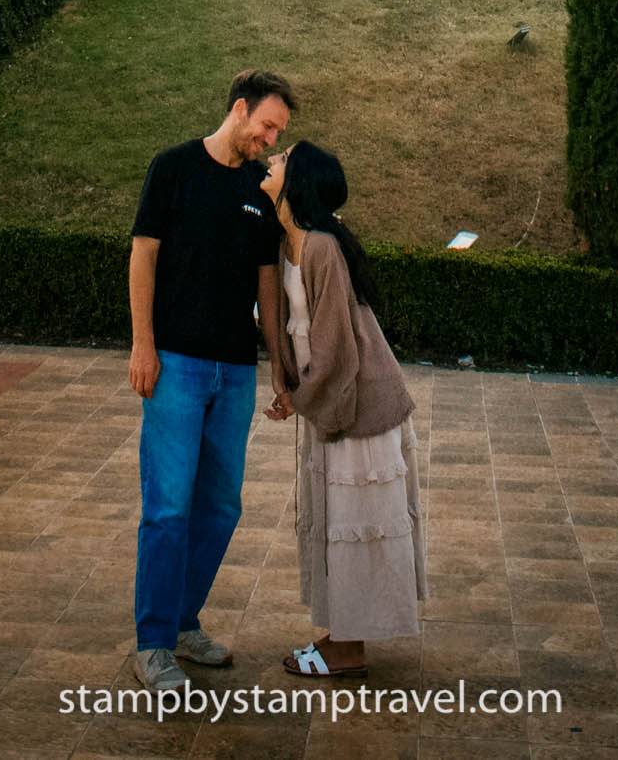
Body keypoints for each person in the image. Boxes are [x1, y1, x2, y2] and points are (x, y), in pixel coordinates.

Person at [129, 70, 296, 695]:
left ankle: (182, 620)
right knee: (168, 507)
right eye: (268, 126)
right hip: (175, 364)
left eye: (278, 132)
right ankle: (152, 643)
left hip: (235, 371)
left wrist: (277, 362)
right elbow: (143, 254)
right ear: (240, 109)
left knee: (222, 506)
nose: (270, 140)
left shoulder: (259, 188)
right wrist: (143, 344)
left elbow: (266, 281)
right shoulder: (172, 168)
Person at [262, 140, 425, 679]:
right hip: (330, 400)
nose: (272, 159)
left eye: (283, 158)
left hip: (357, 406)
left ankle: (349, 649)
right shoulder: (289, 242)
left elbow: (335, 348)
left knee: (353, 524)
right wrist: (290, 386)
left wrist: (298, 397)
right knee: (338, 524)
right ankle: (342, 635)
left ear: (297, 182)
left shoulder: (321, 247)